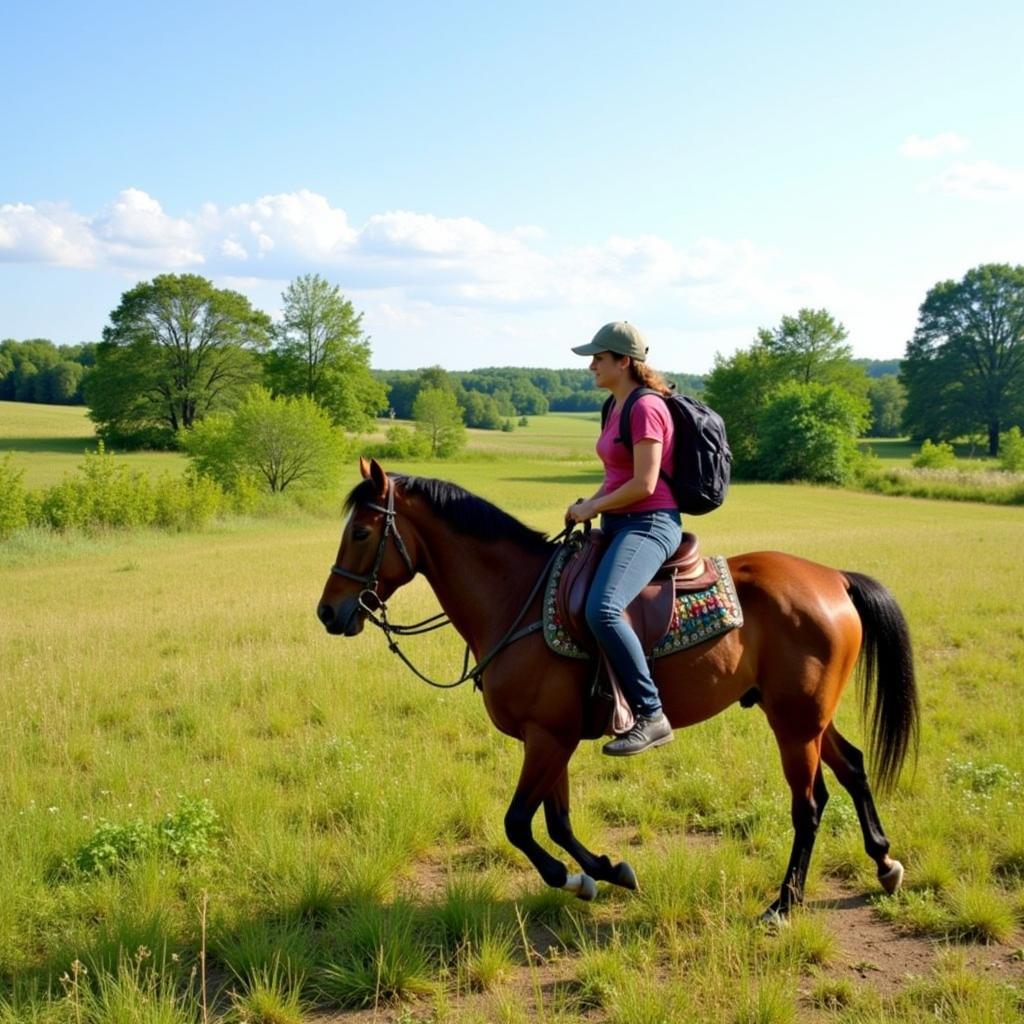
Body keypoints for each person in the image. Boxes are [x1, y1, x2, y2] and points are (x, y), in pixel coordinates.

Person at [565, 322, 681, 756]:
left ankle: (651, 715)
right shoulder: (613, 407)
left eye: (599, 358)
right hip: (618, 522)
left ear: (624, 362)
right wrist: (588, 502)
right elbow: (615, 477)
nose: (591, 365)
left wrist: (594, 508)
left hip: (650, 524)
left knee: (604, 609)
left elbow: (644, 484)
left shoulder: (646, 408)